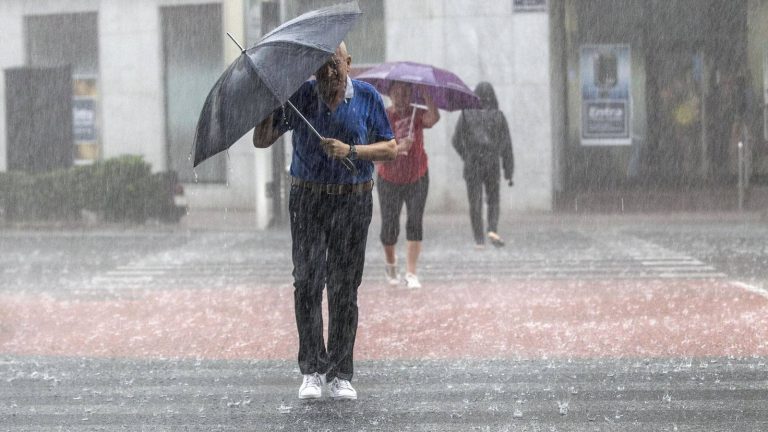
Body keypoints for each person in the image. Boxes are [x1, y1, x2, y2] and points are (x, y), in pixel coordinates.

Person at [253, 42, 396, 401]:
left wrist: (351, 151)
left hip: (353, 200)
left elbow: (390, 148)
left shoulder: (366, 97)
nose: (328, 72)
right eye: (320, 65)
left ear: (349, 63)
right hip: (308, 200)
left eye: (334, 64)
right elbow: (262, 139)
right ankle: (312, 370)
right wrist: (267, 103)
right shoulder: (300, 97)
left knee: (344, 287)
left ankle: (340, 372)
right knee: (306, 282)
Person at [377, 82, 440, 289]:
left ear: (411, 96)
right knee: (390, 226)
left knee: (415, 221)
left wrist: (426, 94)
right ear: (390, 95)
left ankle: (411, 273)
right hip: (389, 179)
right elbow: (375, 151)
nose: (401, 98)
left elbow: (434, 118)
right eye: (397, 93)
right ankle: (391, 263)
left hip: (417, 177)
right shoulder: (383, 116)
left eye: (405, 93)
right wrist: (397, 147)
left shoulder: (417, 114)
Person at [451, 81, 514, 248]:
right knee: (493, 199)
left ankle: (479, 240)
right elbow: (506, 145)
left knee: (475, 202)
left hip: (472, 164)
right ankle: (492, 229)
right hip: (492, 163)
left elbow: (456, 140)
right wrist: (508, 171)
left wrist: (467, 155)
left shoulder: (466, 114)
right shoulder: (499, 116)